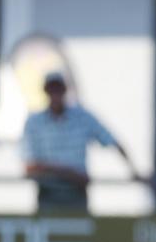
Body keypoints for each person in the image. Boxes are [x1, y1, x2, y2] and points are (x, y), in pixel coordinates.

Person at [23, 72, 138, 209]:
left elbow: (113, 141)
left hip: (76, 195)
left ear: (65, 90)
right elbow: (30, 166)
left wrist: (134, 171)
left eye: (58, 89)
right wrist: (68, 173)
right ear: (45, 91)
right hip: (48, 195)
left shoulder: (82, 117)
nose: (55, 94)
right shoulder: (34, 122)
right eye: (51, 89)